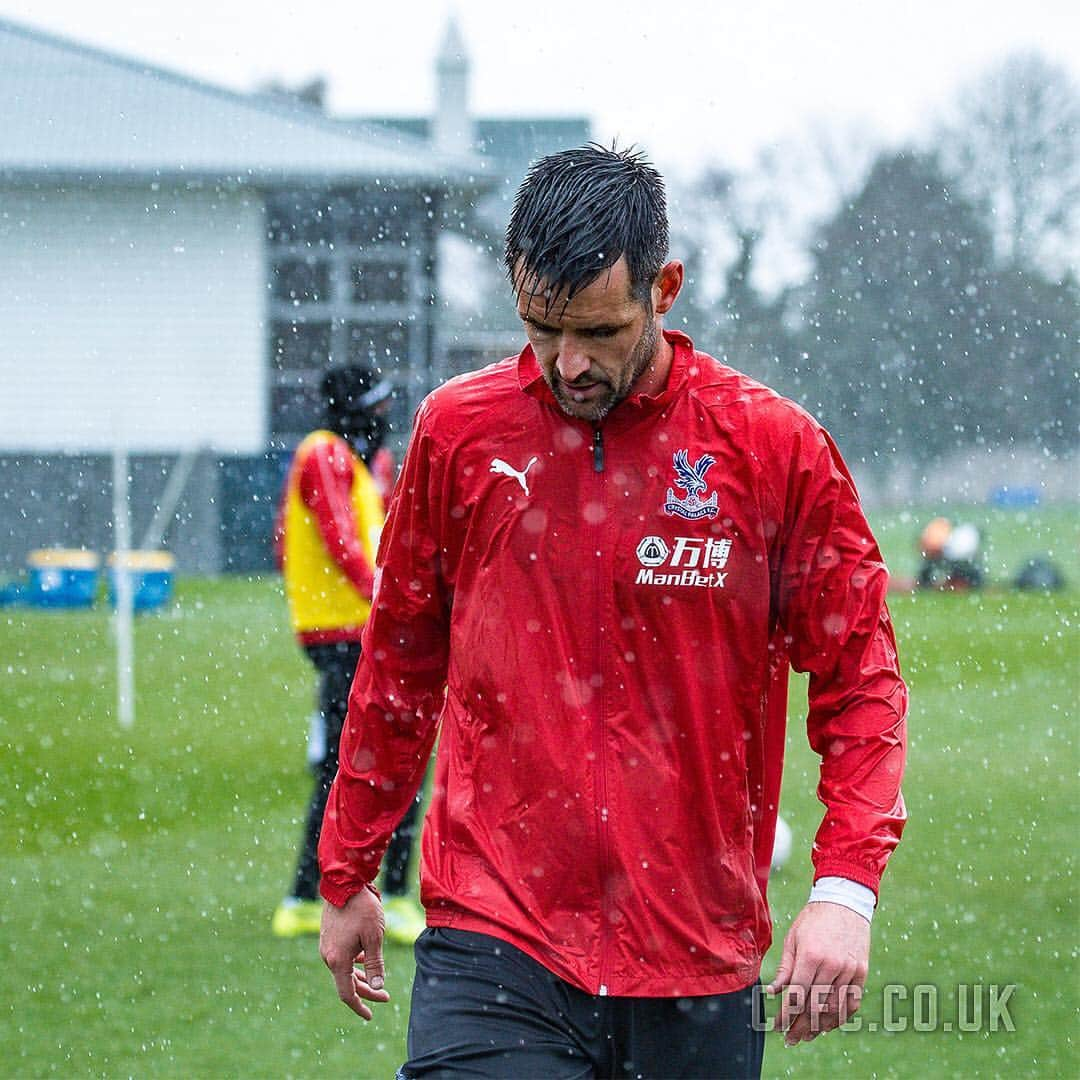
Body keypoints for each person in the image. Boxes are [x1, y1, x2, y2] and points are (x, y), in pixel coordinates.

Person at [318, 146, 908, 1077]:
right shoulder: (458, 434)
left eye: (599, 328)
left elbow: (862, 684)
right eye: (540, 328)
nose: (569, 362)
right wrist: (347, 867)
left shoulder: (771, 450)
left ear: (665, 288)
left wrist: (844, 888)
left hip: (695, 952)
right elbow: (397, 670)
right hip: (494, 933)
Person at [270, 364, 425, 945]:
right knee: (394, 757)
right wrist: (395, 604)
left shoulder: (352, 459)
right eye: (378, 407)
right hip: (353, 632)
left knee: (346, 764)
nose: (386, 420)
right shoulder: (327, 455)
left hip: (345, 631)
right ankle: (394, 894)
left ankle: (309, 894)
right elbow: (343, 541)